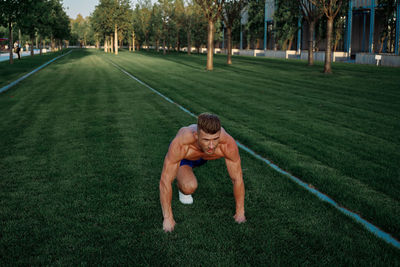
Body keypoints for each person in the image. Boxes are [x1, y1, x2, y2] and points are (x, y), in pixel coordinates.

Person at [159, 113, 246, 232]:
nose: (211, 145)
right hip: (185, 158)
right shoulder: (181, 143)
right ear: (196, 135)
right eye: (206, 140)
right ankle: (182, 188)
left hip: (203, 158)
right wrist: (168, 218)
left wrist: (240, 213)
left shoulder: (227, 144)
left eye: (215, 139)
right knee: (189, 186)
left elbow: (237, 178)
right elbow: (165, 180)